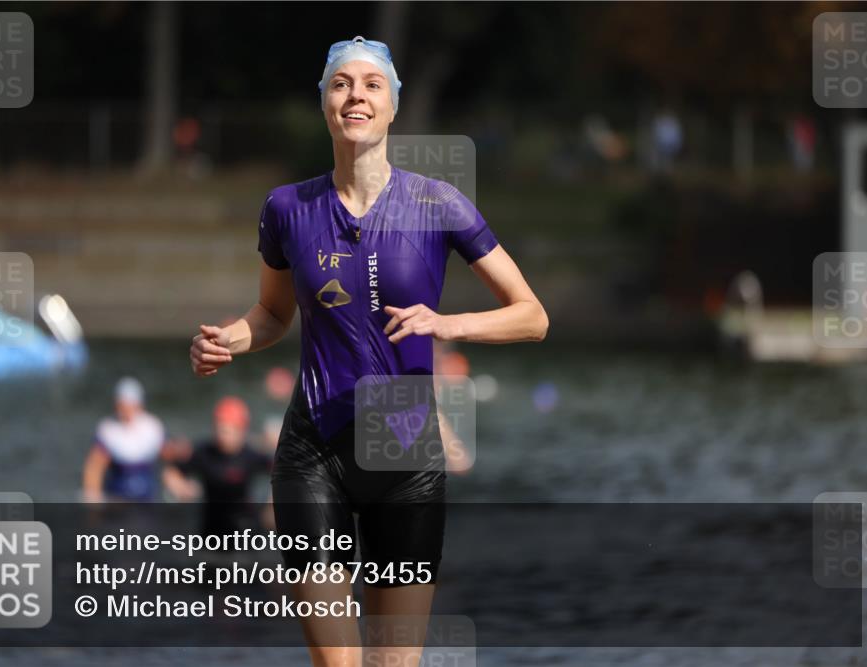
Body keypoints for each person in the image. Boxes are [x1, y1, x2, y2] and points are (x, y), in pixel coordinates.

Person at [189, 36, 548, 667]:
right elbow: (272, 314)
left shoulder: (437, 203)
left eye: (371, 85)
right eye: (341, 84)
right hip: (312, 452)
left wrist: (447, 324)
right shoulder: (287, 207)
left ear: (392, 106)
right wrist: (228, 340)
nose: (356, 95)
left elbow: (532, 317)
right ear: (325, 103)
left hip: (404, 450)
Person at [163, 396, 273, 536]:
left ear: (242, 431)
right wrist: (182, 488)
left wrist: (272, 505)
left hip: (245, 526)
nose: (222, 436)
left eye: (228, 431)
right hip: (211, 527)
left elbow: (281, 472)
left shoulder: (251, 455)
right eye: (219, 429)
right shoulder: (204, 453)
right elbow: (171, 472)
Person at [82, 377, 177, 502]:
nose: (127, 409)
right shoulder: (108, 429)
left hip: (146, 498)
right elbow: (95, 468)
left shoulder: (152, 426)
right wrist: (92, 498)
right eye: (123, 405)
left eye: (130, 405)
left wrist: (177, 484)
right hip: (117, 499)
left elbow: (167, 460)